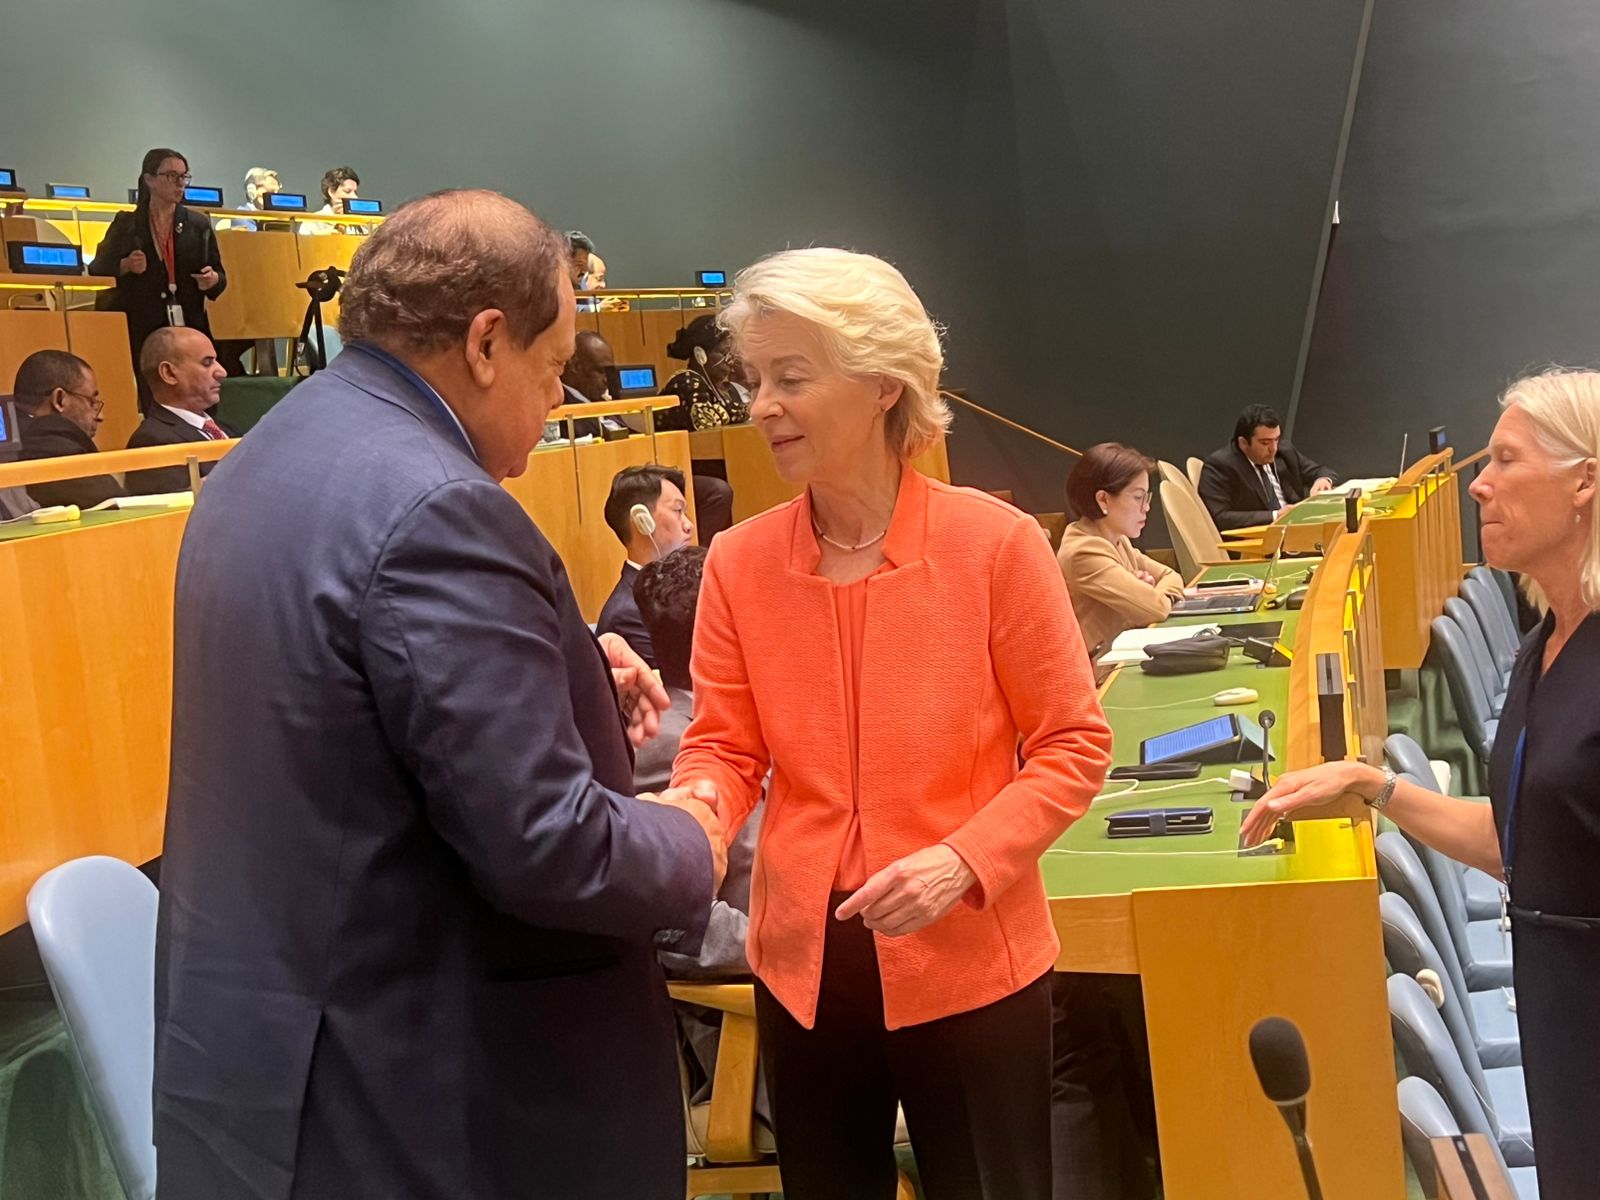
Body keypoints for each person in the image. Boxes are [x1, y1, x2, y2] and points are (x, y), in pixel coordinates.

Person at [152, 189, 726, 1200]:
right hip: (419, 1099)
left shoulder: (266, 454)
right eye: (553, 369)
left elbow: (348, 707)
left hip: (265, 1071)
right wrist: (693, 837)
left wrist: (556, 664)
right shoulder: (442, 507)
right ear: (487, 342)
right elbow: (548, 845)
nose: (558, 399)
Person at [671, 247, 1114, 1200]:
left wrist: (964, 859)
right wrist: (692, 818)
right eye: (755, 380)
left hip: (972, 954)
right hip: (804, 970)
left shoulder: (995, 546)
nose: (762, 406)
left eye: (792, 378)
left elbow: (1073, 744)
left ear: (883, 384)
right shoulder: (737, 563)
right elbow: (724, 748)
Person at [1241, 368, 1600, 1199]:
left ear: (1584, 481)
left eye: (1506, 460)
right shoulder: (1545, 646)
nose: (1479, 484)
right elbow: (1522, 844)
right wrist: (1375, 788)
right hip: (1562, 1024)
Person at [88, 148, 227, 388]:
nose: (180, 183)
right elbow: (97, 268)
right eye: (172, 176)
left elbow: (220, 276)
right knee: (150, 389)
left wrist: (212, 279)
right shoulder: (128, 223)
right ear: (149, 179)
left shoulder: (198, 225)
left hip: (189, 323)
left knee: (194, 389)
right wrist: (125, 265)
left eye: (184, 176)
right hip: (142, 325)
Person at [1058, 442, 1186, 660]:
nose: (1146, 507)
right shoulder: (1084, 552)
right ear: (1103, 499)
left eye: (1147, 497)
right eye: (1138, 497)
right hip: (1102, 671)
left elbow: (1171, 575)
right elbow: (1155, 609)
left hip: (1125, 657)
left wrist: (1149, 593)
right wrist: (1149, 595)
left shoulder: (1117, 539)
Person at [597, 464, 695, 668]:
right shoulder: (628, 613)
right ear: (643, 520)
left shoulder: (683, 587)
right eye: (678, 511)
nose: (689, 525)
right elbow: (678, 681)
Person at [123, 328, 236, 495]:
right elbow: (176, 505)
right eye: (207, 363)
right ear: (169, 373)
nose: (222, 372)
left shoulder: (228, 429)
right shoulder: (151, 440)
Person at [11, 350, 126, 509]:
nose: (100, 416)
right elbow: (116, 504)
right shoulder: (49, 443)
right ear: (60, 400)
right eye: (91, 402)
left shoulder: (14, 436)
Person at [1197, 404, 1337, 530]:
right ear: (1243, 443)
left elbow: (1321, 471)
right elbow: (1220, 517)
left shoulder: (1284, 451)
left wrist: (1323, 480)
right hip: (1261, 537)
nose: (1273, 448)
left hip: (1298, 528)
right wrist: (1275, 516)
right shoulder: (1220, 466)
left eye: (1276, 439)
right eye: (1265, 443)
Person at [656, 314, 748, 432]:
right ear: (700, 354)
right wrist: (745, 411)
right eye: (724, 353)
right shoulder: (687, 382)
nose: (730, 361)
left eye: (731, 354)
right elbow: (706, 420)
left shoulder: (723, 388)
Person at [551, 329, 630, 440]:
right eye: (600, 371)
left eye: (609, 371)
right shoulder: (557, 406)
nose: (606, 379)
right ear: (576, 367)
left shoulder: (605, 402)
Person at [299, 165, 363, 235]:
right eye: (347, 191)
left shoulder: (360, 223)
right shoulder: (312, 222)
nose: (354, 197)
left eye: (355, 192)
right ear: (331, 192)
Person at [216, 167, 281, 231]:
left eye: (277, 193)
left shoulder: (275, 217)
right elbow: (256, 236)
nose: (275, 197)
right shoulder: (240, 216)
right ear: (251, 191)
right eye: (270, 192)